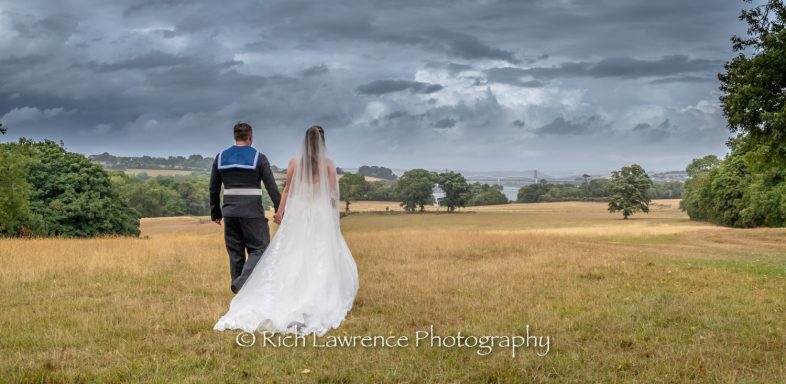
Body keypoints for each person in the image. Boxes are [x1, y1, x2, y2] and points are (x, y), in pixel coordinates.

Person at [214, 125, 359, 336]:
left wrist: (280, 213)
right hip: (319, 214)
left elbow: (288, 190)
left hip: (298, 214)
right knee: (319, 252)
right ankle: (317, 292)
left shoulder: (294, 162)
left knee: (293, 252)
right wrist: (332, 218)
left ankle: (285, 290)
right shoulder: (328, 164)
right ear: (322, 142)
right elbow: (332, 195)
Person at [209, 122, 281, 294]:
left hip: (230, 214)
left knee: (235, 254)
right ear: (250, 137)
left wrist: (216, 213)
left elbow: (213, 187)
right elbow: (271, 187)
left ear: (235, 136)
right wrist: (280, 210)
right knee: (260, 249)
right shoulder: (259, 157)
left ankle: (239, 294)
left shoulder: (220, 158)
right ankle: (241, 282)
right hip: (252, 213)